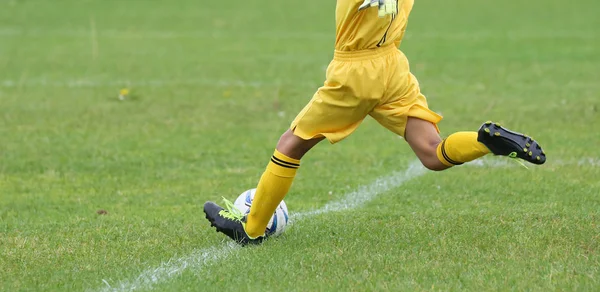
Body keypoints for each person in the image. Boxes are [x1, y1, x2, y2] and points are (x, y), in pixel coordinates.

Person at [203, 0, 546, 245]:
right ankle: (484, 140)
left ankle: (251, 230)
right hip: (392, 67)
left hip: (354, 72)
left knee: (290, 144)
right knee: (432, 152)